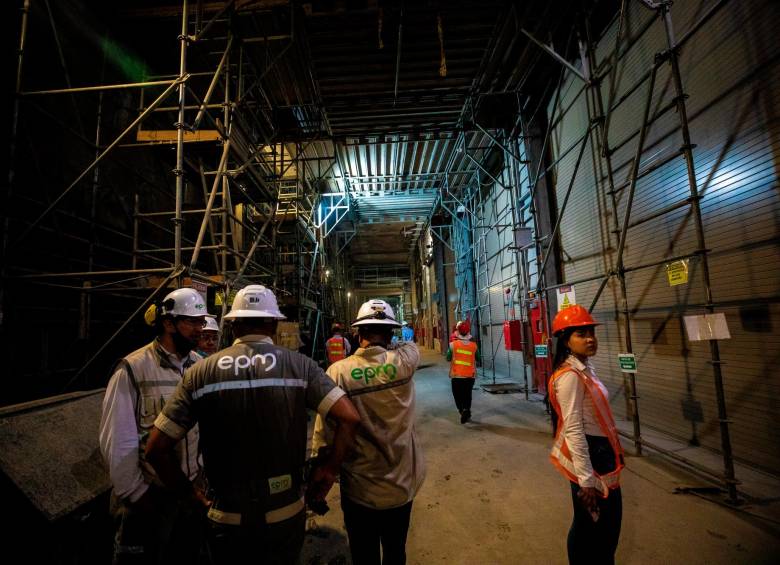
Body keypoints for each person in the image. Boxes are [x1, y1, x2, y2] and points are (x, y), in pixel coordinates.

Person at [145, 285, 360, 564]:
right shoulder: (300, 366)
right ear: (273, 324)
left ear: (233, 325)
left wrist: (188, 495)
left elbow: (155, 449)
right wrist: (329, 470)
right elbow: (349, 417)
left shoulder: (200, 373)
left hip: (226, 516)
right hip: (286, 511)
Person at [312, 299, 426, 565]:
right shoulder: (405, 361)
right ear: (390, 333)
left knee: (364, 555)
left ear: (357, 333)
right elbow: (409, 343)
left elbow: (324, 433)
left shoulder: (338, 373)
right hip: (400, 485)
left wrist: (322, 471)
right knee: (396, 551)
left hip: (360, 489)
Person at [99, 287, 207, 564]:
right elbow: (118, 443)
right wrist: (138, 496)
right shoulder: (133, 370)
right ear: (169, 323)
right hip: (147, 497)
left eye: (201, 321)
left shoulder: (198, 367)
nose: (200, 329)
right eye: (192, 322)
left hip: (188, 493)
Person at [547, 305, 625, 565]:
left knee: (604, 528)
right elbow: (574, 429)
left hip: (601, 454)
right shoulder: (569, 376)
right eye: (581, 334)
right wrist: (586, 480)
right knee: (592, 529)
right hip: (590, 457)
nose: (590, 338)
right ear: (566, 341)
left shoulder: (584, 367)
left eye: (591, 332)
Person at [446, 320, 480, 424]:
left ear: (458, 332)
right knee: (467, 394)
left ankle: (462, 410)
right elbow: (478, 358)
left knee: (457, 395)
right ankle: (466, 409)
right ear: (469, 332)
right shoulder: (474, 346)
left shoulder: (453, 345)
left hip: (457, 376)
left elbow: (448, 358)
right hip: (470, 376)